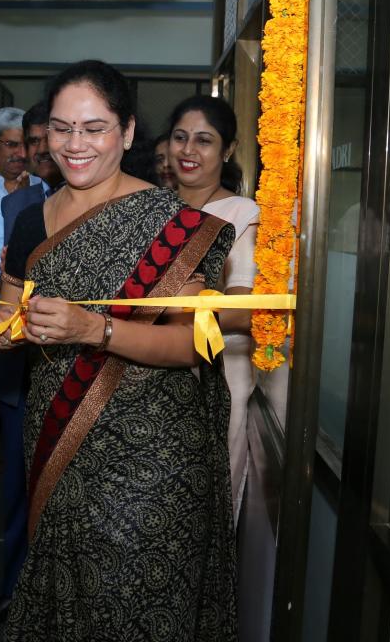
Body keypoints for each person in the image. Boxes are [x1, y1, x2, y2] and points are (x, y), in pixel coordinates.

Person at [0, 60, 237, 641]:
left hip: (153, 459)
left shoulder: (174, 226)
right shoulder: (30, 221)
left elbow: (191, 346)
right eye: (61, 127)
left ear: (126, 133)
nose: (75, 145)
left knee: (136, 606)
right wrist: (4, 331)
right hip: (57, 440)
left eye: (94, 128)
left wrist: (92, 331)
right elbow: (11, 308)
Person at [0, 100, 61, 627]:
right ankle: (13, 592)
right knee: (18, 491)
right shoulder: (16, 207)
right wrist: (9, 297)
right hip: (19, 372)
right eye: (37, 142)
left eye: (54, 139)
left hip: (87, 373)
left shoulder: (115, 204)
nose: (44, 151)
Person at [167, 95, 260, 523]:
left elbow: (242, 310)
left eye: (204, 140)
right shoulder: (152, 208)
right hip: (150, 371)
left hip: (217, 376)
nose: (188, 151)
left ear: (227, 150)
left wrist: (158, 315)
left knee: (206, 510)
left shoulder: (241, 214)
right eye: (180, 138)